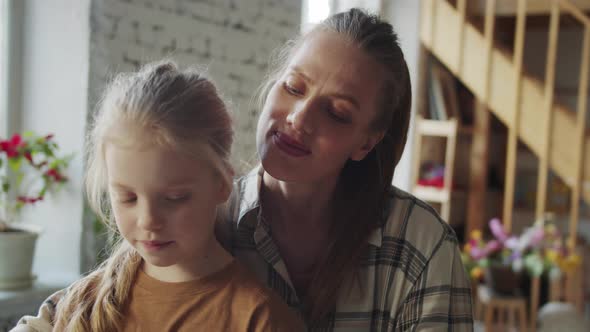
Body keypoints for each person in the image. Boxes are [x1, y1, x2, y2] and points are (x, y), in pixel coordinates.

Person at [216, 8, 474, 331]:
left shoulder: (422, 248)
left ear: (365, 144)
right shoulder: (205, 221)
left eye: (337, 113)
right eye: (294, 87)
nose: (299, 118)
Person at [11, 61, 304, 332]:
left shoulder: (259, 318)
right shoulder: (82, 305)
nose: (149, 220)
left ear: (222, 184)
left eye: (175, 198)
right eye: (127, 198)